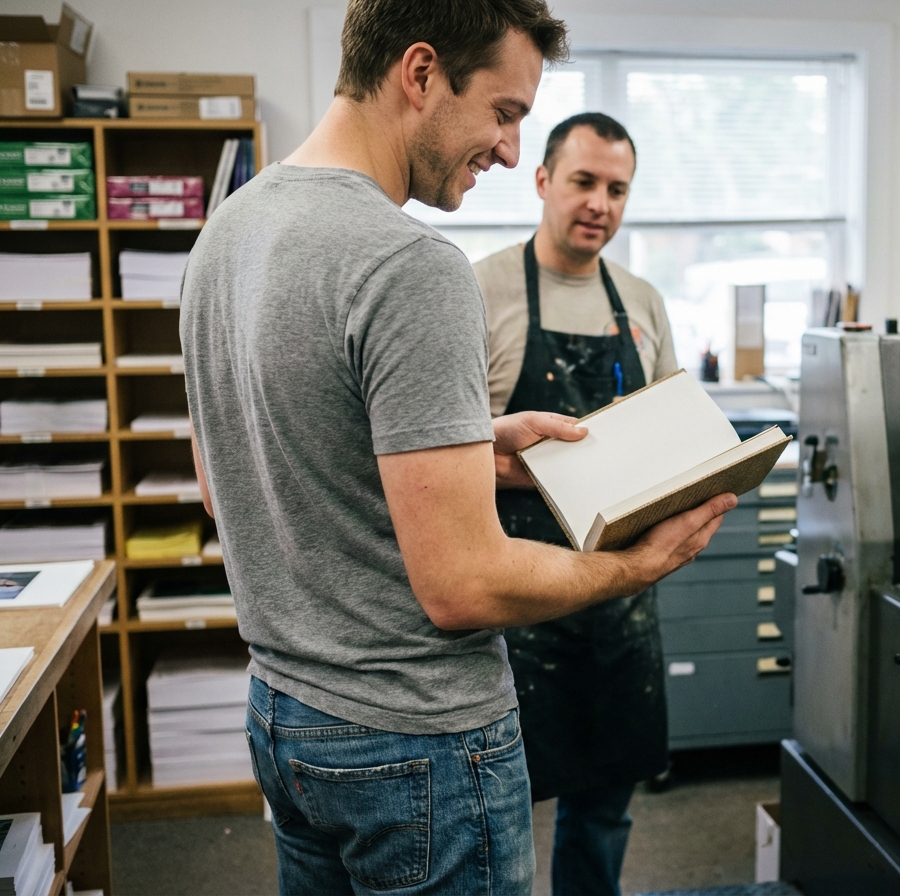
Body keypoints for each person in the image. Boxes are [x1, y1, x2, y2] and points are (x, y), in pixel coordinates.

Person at [179, 2, 737, 894]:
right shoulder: (413, 265)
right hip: (417, 743)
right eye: (506, 113)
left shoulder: (226, 235)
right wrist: (634, 569)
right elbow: (462, 585)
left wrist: (471, 449)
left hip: (287, 715)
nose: (511, 153)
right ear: (421, 73)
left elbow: (234, 482)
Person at [473, 113, 675, 895]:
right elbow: (441, 459)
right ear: (543, 181)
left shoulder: (643, 302)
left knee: (603, 810)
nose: (600, 203)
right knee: (501, 810)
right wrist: (552, 474)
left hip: (620, 601)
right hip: (516, 601)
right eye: (584, 182)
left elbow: (670, 434)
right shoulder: (479, 291)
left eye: (617, 189)